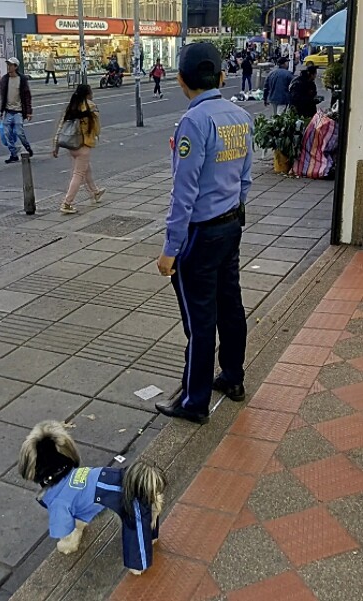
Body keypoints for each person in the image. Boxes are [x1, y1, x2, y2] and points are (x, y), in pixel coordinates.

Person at [155, 42, 252, 425]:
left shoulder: (193, 124)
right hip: (231, 226)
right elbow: (245, 179)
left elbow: (184, 194)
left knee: (199, 321)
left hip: (200, 234)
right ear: (223, 77)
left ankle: (194, 402)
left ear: (181, 81)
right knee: (230, 305)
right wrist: (233, 210)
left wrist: (170, 249)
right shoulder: (240, 116)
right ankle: (232, 376)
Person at [53, 84, 105, 214]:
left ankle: (95, 192)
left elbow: (61, 126)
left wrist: (56, 145)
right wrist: (95, 136)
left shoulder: (71, 106)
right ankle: (67, 203)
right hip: (84, 145)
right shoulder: (91, 106)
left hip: (72, 145)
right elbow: (97, 127)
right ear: (88, 93)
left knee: (86, 168)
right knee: (78, 174)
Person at [0, 57, 33, 164]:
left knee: (19, 132)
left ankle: (27, 148)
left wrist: (28, 111)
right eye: (8, 65)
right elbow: (3, 97)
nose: (9, 67)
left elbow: (27, 96)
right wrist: (1, 111)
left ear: (16, 67)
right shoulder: (5, 79)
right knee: (6, 134)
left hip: (18, 111)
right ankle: (13, 154)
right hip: (8, 111)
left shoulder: (21, 79)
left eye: (11, 65)